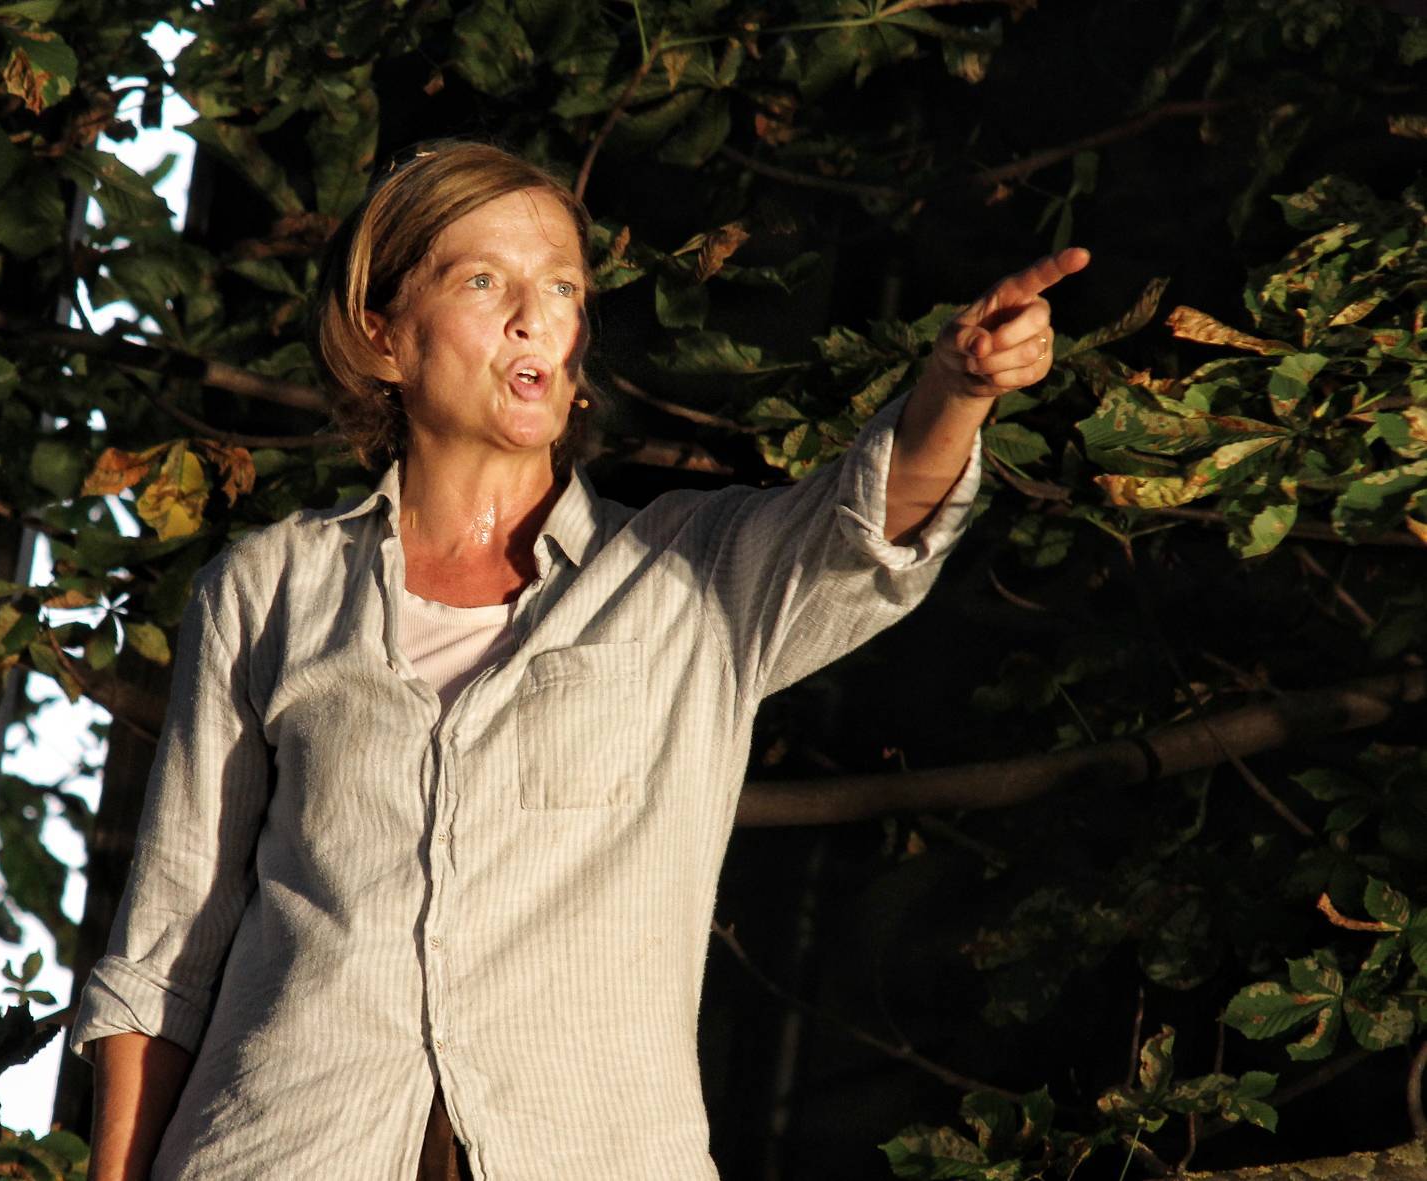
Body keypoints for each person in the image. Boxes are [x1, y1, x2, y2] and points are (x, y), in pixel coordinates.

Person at [69, 139, 1088, 1181]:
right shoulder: (266, 589)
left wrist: (955, 389)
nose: (535, 315)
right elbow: (167, 954)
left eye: (561, 285)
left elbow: (868, 526)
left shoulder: (688, 575)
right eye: (483, 281)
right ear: (383, 334)